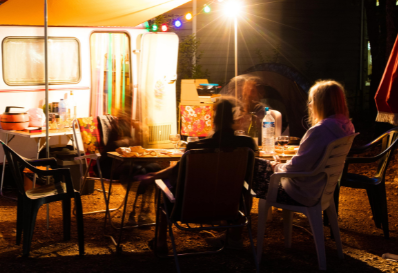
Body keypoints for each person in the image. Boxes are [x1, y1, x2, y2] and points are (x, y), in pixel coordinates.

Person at [148, 96, 257, 251]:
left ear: (213, 119)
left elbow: (177, 171)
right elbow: (250, 174)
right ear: (234, 118)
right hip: (230, 206)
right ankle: (235, 238)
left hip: (191, 207)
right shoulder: (247, 144)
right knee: (246, 190)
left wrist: (155, 176)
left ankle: (161, 242)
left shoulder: (196, 147)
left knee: (162, 187)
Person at [257, 80, 355, 206]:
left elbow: (295, 168)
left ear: (322, 103)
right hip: (321, 189)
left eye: (312, 100)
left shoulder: (320, 130)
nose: (309, 105)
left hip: (300, 193)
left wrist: (275, 166)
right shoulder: (346, 126)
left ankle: (236, 217)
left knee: (254, 166)